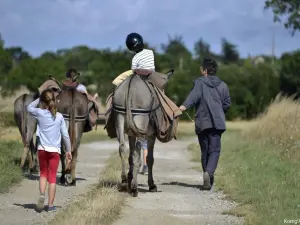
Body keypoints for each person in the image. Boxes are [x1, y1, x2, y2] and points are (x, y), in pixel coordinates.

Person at [179, 58, 231, 191]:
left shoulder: (199, 83)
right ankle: (209, 173)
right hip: (217, 123)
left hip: (202, 122)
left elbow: (193, 96)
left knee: (205, 151)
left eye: (201, 69)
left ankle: (207, 176)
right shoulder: (223, 85)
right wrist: (219, 111)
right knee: (215, 150)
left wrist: (183, 107)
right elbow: (227, 104)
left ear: (205, 71)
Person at [27, 89, 72, 212]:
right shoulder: (59, 117)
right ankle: (50, 205)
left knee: (43, 174)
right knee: (52, 177)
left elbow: (29, 108)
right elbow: (65, 136)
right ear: (54, 100)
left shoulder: (39, 113)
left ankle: (42, 195)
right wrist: (68, 150)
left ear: (43, 101)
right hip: (55, 151)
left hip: (42, 149)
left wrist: (39, 98)